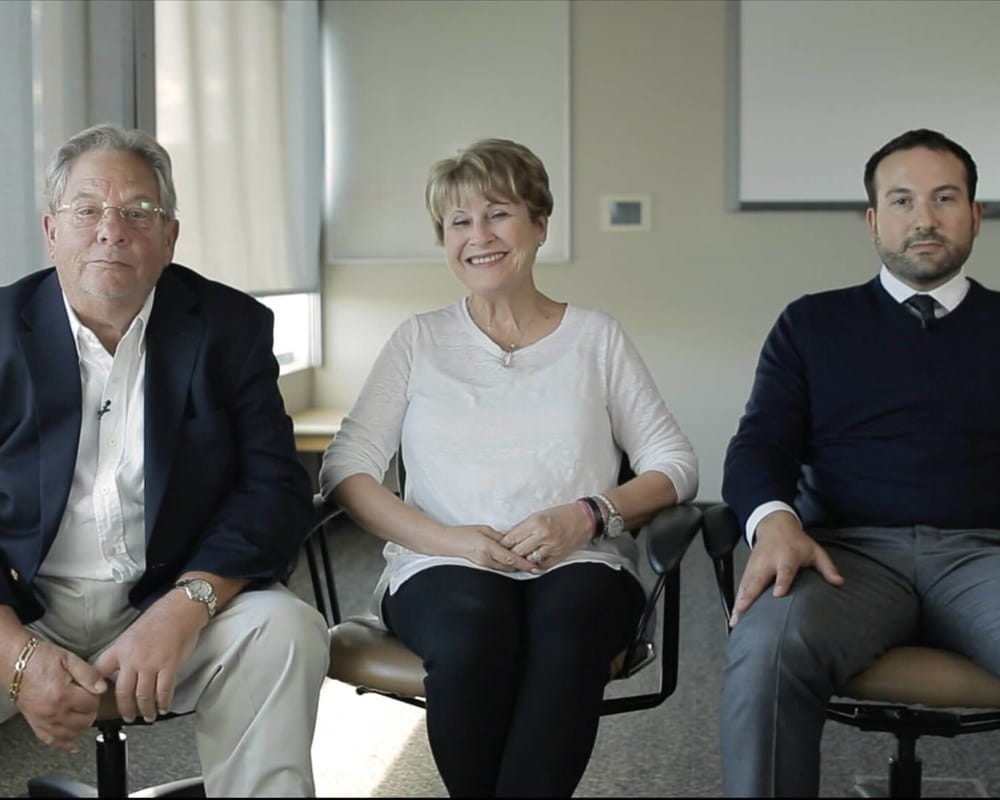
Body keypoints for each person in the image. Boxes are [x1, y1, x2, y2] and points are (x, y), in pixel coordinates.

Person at [320, 138, 697, 797]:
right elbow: (345, 469)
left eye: (498, 214)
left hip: (582, 559)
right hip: (443, 565)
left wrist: (588, 516)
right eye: (459, 221)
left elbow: (676, 464)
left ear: (540, 224)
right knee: (471, 636)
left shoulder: (595, 338)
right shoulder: (418, 340)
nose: (479, 236)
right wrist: (450, 540)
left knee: (567, 633)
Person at [0, 123, 330, 796]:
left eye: (138, 211)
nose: (111, 231)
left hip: (171, 594)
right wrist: (16, 653)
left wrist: (187, 605)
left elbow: (273, 488)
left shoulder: (231, 327)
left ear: (170, 235)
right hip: (20, 607)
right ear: (51, 230)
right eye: (87, 209)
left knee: (285, 629)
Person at [720, 128, 1000, 796]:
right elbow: (759, 444)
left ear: (974, 215)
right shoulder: (811, 324)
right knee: (768, 648)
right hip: (844, 557)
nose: (924, 218)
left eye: (944, 198)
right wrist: (775, 523)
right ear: (874, 221)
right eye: (902, 201)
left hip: (986, 554)